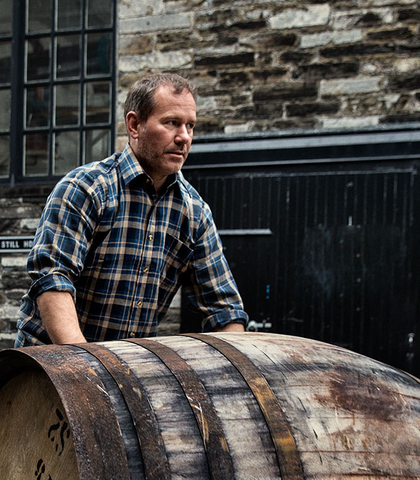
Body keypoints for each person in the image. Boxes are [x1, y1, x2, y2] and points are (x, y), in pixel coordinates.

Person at [15, 73, 248, 346]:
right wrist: (85, 373)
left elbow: (225, 311)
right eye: (172, 123)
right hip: (47, 368)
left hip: (125, 372)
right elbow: (53, 281)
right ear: (135, 125)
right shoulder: (86, 189)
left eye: (190, 126)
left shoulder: (194, 213)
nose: (184, 137)